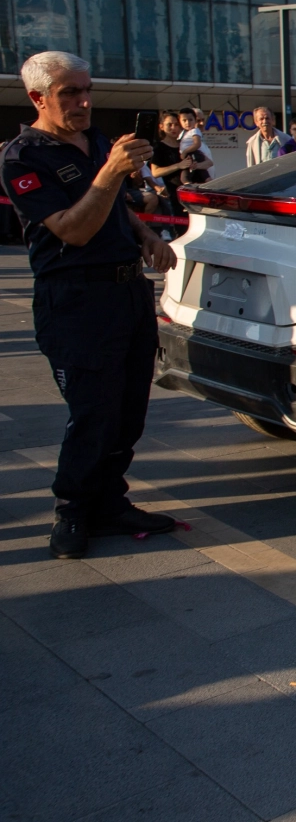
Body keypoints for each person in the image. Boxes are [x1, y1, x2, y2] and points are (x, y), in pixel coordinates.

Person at [0, 51, 178, 559]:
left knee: (129, 411)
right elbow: (72, 229)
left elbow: (117, 206)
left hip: (127, 292)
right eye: (69, 94)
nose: (83, 102)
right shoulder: (23, 156)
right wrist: (110, 172)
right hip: (76, 301)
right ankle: (73, 510)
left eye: (86, 90)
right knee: (93, 411)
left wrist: (145, 234)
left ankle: (109, 501)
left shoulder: (96, 141)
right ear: (38, 98)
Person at [177, 108, 212, 183]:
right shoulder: (183, 133)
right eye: (184, 120)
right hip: (193, 155)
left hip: (192, 154)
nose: (187, 123)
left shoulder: (195, 131)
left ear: (194, 120)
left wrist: (185, 152)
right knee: (204, 174)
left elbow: (197, 144)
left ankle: (188, 188)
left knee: (184, 178)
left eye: (190, 120)